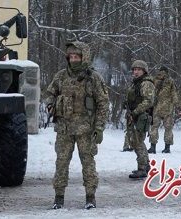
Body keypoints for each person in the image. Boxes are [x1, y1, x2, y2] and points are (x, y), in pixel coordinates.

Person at [46, 41, 109, 210]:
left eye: (77, 57)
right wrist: (50, 104)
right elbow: (50, 93)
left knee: (88, 163)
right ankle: (58, 197)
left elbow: (103, 104)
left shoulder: (93, 78)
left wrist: (99, 127)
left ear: (84, 58)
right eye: (71, 56)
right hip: (64, 129)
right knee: (61, 163)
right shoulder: (61, 76)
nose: (73, 60)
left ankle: (90, 197)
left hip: (86, 130)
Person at [125, 60, 155, 179]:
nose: (136, 72)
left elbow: (148, 101)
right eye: (134, 70)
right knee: (136, 141)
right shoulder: (136, 83)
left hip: (141, 116)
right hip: (135, 115)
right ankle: (146, 166)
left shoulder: (146, 83)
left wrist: (135, 111)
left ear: (144, 71)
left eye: (139, 70)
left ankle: (142, 168)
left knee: (137, 141)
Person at [148, 66, 179, 154]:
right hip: (167, 109)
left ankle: (152, 147)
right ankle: (167, 148)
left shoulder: (155, 79)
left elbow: (150, 93)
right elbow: (174, 94)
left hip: (156, 108)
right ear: (167, 72)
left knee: (154, 127)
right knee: (168, 128)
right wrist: (178, 106)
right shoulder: (170, 81)